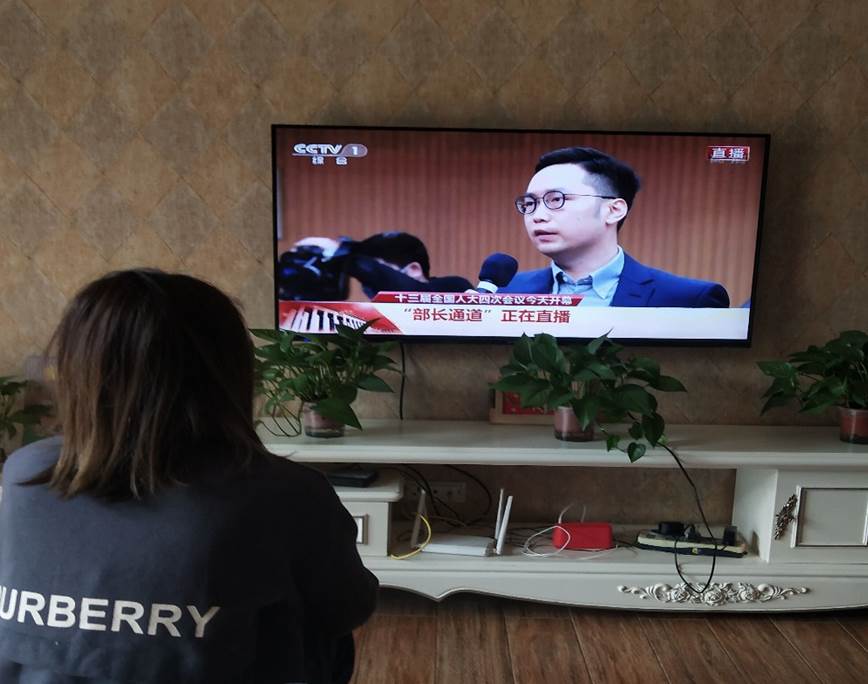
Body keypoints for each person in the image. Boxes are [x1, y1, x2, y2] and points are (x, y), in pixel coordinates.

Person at [0, 270, 377, 683]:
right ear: (227, 372)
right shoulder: (285, 493)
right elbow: (348, 608)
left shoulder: (24, 472)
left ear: (78, 369)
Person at [502, 147, 730, 307]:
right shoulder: (504, 293)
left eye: (556, 199)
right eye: (530, 204)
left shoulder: (688, 299)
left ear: (613, 210)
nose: (538, 216)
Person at [282, 232, 472, 300]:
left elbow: (417, 293)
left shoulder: (455, 287)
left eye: (379, 269)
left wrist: (343, 252)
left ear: (413, 269)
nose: (369, 283)